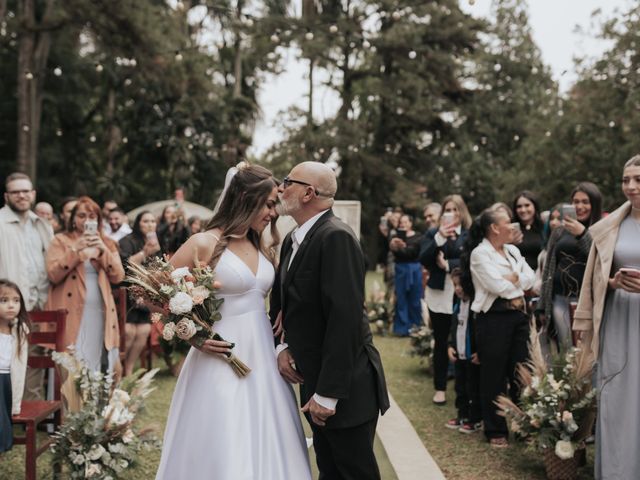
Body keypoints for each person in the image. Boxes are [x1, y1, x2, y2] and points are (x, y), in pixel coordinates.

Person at [155, 163, 312, 479]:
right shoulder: (204, 243)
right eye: (268, 203)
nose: (273, 212)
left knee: (270, 433)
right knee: (226, 435)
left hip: (265, 358)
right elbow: (155, 293)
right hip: (222, 357)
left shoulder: (264, 245)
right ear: (243, 197)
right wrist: (194, 336)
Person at [271, 161, 389, 480]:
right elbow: (284, 305)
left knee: (355, 472)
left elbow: (346, 320)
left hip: (344, 387)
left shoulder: (336, 237)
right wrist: (282, 346)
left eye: (287, 182)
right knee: (330, 471)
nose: (280, 188)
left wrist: (328, 394)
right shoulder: (292, 239)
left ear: (309, 193)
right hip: (313, 378)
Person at [573, 155, 640, 479]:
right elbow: (595, 279)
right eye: (626, 179)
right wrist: (611, 283)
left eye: (638, 180)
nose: (630, 186)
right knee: (615, 398)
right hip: (616, 320)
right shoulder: (610, 225)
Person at [466, 208, 535, 447]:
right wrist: (515, 279)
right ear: (495, 227)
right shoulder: (479, 254)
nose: (513, 225)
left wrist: (511, 277)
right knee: (493, 374)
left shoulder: (513, 250)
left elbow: (531, 278)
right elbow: (497, 286)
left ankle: (525, 425)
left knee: (522, 372)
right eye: (508, 222)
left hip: (518, 316)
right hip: (493, 318)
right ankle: (495, 429)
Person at [45, 196, 125, 374]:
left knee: (95, 356)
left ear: (98, 220)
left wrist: (103, 251)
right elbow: (53, 275)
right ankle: (71, 400)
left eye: (92, 216)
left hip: (99, 310)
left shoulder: (108, 242)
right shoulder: (60, 240)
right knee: (71, 357)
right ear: (73, 219)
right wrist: (75, 251)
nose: (87, 220)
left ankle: (95, 398)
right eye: (81, 215)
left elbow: (118, 277)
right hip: (69, 309)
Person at [0, 173, 53, 401]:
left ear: (33, 194)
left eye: (25, 191)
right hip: (7, 305)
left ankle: (30, 411)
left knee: (34, 360)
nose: (21, 195)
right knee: (7, 361)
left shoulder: (41, 225)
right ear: (6, 196)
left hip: (39, 304)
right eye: (15, 191)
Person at [420, 194, 472, 405]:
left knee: (462, 339)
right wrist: (439, 238)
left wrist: (449, 264)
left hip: (462, 293)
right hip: (439, 295)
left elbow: (471, 258)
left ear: (462, 212)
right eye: (447, 210)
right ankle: (440, 387)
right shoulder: (433, 233)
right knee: (441, 341)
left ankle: (464, 388)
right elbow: (423, 257)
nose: (451, 214)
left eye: (455, 209)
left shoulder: (468, 235)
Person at [539, 182, 602, 349]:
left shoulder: (602, 229)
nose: (579, 206)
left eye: (585, 202)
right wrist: (542, 306)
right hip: (560, 299)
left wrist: (582, 234)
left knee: (588, 351)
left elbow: (601, 260)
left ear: (594, 204)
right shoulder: (559, 231)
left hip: (588, 302)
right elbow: (548, 270)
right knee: (566, 351)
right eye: (575, 201)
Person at [118, 211, 162, 376]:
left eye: (152, 221)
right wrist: (144, 252)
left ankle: (129, 368)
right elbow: (125, 266)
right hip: (128, 290)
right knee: (129, 332)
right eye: (145, 221)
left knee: (143, 331)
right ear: (138, 224)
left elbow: (157, 267)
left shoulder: (155, 242)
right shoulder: (127, 241)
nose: (150, 224)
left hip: (145, 290)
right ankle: (119, 367)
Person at [445, 268, 481, 434]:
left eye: (460, 284)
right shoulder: (457, 304)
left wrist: (479, 350)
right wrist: (450, 345)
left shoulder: (475, 306)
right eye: (455, 285)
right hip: (459, 354)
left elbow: (479, 331)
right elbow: (453, 327)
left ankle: (475, 419)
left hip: (471, 356)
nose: (458, 288)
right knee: (460, 387)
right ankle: (462, 415)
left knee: (473, 387)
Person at [0, 279, 29, 453]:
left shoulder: (20, 331)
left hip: (7, 382)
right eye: (4, 300)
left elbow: (19, 370)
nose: (11, 305)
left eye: (16, 300)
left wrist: (16, 404)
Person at [389, 214, 423, 335]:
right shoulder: (395, 237)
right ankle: (402, 328)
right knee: (401, 298)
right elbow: (395, 253)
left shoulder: (418, 236)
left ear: (411, 223)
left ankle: (415, 326)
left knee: (415, 299)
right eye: (401, 222)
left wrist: (401, 249)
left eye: (405, 222)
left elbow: (413, 252)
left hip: (414, 269)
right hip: (401, 270)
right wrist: (395, 246)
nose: (403, 224)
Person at [511, 191, 544, 270]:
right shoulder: (510, 229)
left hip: (539, 276)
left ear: (535, 206)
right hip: (517, 276)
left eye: (527, 205)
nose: (523, 210)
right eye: (519, 206)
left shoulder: (544, 228)